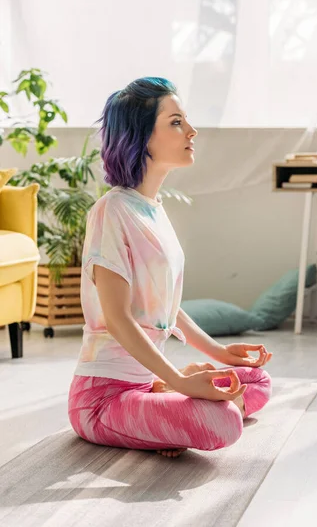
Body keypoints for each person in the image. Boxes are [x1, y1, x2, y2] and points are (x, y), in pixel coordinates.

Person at [68, 77, 272, 458]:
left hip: (149, 385)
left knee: (257, 380)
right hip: (103, 398)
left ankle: (166, 412)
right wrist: (179, 380)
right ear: (141, 135)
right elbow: (118, 318)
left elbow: (163, 307)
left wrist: (221, 353)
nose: (191, 131)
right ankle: (170, 411)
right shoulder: (111, 211)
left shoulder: (154, 209)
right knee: (225, 422)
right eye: (176, 122)